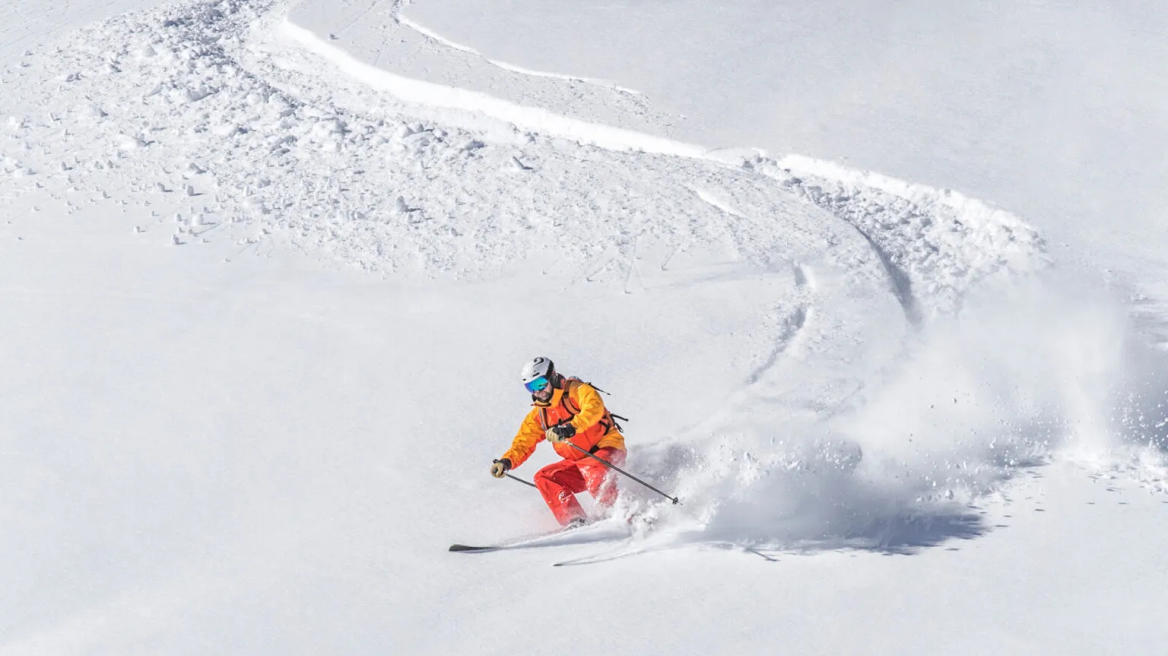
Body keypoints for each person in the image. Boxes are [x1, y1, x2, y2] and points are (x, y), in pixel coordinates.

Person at [491, 357, 626, 527]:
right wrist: (507, 461)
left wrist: (570, 427)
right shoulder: (540, 414)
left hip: (604, 449)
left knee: (594, 474)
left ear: (552, 377)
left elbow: (594, 408)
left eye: (540, 384)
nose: (537, 391)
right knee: (545, 477)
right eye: (530, 387)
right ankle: (575, 521)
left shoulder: (577, 391)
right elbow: (523, 442)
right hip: (578, 462)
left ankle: (622, 516)